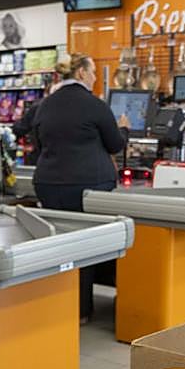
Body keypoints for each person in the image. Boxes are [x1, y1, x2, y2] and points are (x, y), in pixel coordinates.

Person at [30, 53, 130, 320]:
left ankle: (60, 308)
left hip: (48, 184)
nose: (95, 77)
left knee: (60, 246)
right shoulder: (94, 105)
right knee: (86, 248)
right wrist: (124, 129)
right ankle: (81, 311)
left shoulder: (45, 105)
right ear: (82, 73)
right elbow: (115, 144)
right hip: (87, 186)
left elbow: (38, 143)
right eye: (93, 72)